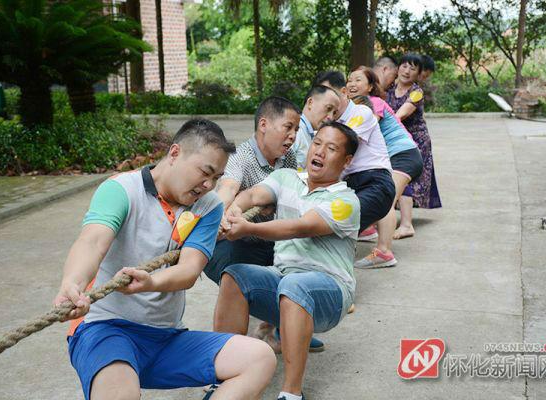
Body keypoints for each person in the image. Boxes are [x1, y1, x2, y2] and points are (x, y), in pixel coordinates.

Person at [55, 119, 277, 400]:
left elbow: (188, 270)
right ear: (174, 153)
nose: (209, 185)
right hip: (105, 330)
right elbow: (92, 241)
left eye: (216, 178)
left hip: (166, 338)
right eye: (205, 172)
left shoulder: (208, 206)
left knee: (260, 357)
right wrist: (72, 282)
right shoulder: (121, 190)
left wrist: (150, 282)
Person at [214, 121, 360, 400]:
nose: (320, 152)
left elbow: (300, 227)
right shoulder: (286, 177)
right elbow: (252, 195)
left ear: (347, 160)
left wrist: (248, 229)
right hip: (283, 283)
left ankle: (292, 393)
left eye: (331, 149)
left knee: (295, 286)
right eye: (317, 143)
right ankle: (225, 378)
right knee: (234, 276)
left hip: (331, 292)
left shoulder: (346, 201)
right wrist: (234, 210)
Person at [202, 96, 325, 354]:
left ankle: (280, 329)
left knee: (299, 263)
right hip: (234, 243)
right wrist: (222, 212)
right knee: (236, 278)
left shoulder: (288, 159)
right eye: (288, 127)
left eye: (296, 130)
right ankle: (224, 356)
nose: (292, 136)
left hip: (267, 239)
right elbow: (228, 188)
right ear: (264, 124)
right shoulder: (241, 156)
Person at [347, 66, 423, 268]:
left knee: (385, 199)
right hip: (395, 157)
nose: (352, 84)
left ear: (370, 86)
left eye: (358, 80)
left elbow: (364, 127)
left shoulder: (374, 103)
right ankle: (368, 230)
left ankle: (384, 252)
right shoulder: (355, 108)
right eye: (349, 80)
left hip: (403, 154)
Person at [315, 71, 395, 242]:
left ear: (344, 92)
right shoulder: (330, 123)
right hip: (348, 186)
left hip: (374, 182)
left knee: (333, 226)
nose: (327, 99)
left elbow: (340, 144)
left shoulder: (361, 112)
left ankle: (383, 251)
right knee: (324, 232)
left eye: (332, 93)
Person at [386, 53, 442, 240]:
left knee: (405, 180)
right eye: (404, 66)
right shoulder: (389, 89)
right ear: (398, 68)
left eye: (412, 68)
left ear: (418, 74)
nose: (407, 71)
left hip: (415, 142)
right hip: (395, 140)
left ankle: (406, 224)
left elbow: (400, 114)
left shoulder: (416, 92)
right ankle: (390, 217)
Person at [291, 85, 341, 170]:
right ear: (310, 103)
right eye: (328, 108)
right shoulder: (295, 130)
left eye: (334, 113)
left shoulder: (310, 134)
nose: (331, 117)